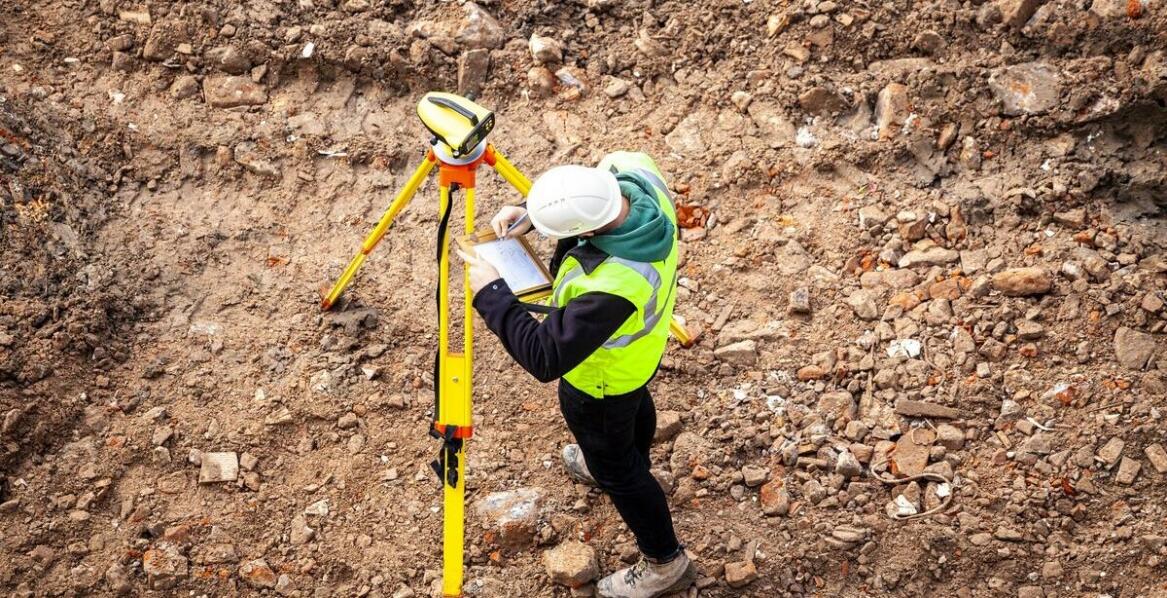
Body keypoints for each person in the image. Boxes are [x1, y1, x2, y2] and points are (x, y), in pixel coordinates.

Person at [456, 152, 694, 598]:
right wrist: (533, 210)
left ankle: (666, 561)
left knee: (619, 469)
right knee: (630, 415)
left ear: (585, 232)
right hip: (637, 359)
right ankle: (622, 462)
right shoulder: (632, 172)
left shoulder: (614, 285)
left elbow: (544, 356)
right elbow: (592, 188)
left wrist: (490, 292)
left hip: (600, 381)